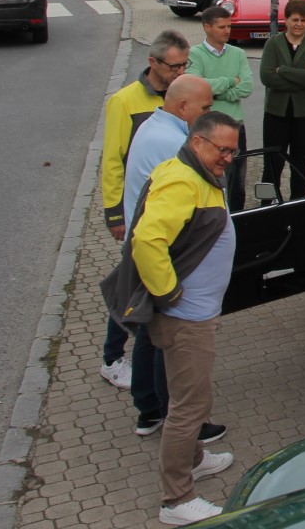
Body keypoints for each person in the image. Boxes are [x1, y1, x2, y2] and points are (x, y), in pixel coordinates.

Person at [116, 111, 239, 525]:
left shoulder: (194, 172)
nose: (228, 157)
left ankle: (197, 460)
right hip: (187, 319)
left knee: (187, 398)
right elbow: (147, 240)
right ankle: (176, 499)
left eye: (233, 151)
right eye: (222, 149)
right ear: (197, 142)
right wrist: (169, 291)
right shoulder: (182, 180)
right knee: (190, 407)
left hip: (194, 314)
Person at [121, 75, 223, 443]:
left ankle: (149, 407)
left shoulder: (153, 124)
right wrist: (170, 292)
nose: (210, 113)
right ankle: (170, 416)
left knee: (150, 335)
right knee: (165, 344)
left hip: (153, 250)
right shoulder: (174, 143)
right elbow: (155, 232)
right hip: (164, 258)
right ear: (184, 108)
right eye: (206, 107)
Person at [99, 31, 190, 390]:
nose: (180, 72)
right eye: (174, 66)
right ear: (153, 63)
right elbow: (112, 161)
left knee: (137, 286)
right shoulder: (125, 102)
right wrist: (115, 215)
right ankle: (112, 357)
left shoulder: (178, 97)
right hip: (138, 217)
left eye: (185, 64)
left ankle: (141, 352)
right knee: (131, 289)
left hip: (166, 217)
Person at [183, 7, 254, 213]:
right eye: (222, 27)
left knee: (237, 180)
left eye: (229, 26)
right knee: (206, 176)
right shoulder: (195, 54)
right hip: (207, 128)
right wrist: (230, 81)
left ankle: (236, 218)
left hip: (235, 125)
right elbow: (197, 86)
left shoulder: (238, 54)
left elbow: (247, 87)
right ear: (207, 27)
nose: (227, 31)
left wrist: (218, 93)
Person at [259, 0, 305, 203]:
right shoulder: (273, 43)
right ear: (286, 20)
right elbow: (266, 77)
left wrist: (284, 71)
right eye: (294, 19)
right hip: (276, 114)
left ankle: (297, 203)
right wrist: (302, 77)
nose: (299, 24)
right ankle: (264, 204)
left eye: (303, 20)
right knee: (272, 163)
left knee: (300, 162)